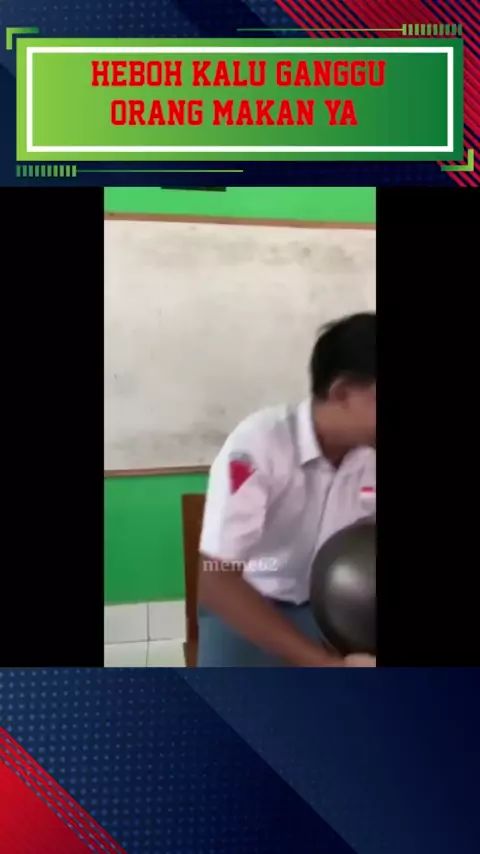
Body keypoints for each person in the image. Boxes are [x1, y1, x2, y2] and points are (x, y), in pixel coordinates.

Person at [197, 312, 376, 667]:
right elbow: (215, 579)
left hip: (340, 604)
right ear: (341, 393)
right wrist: (324, 664)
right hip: (250, 603)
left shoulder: (369, 451)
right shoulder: (258, 447)